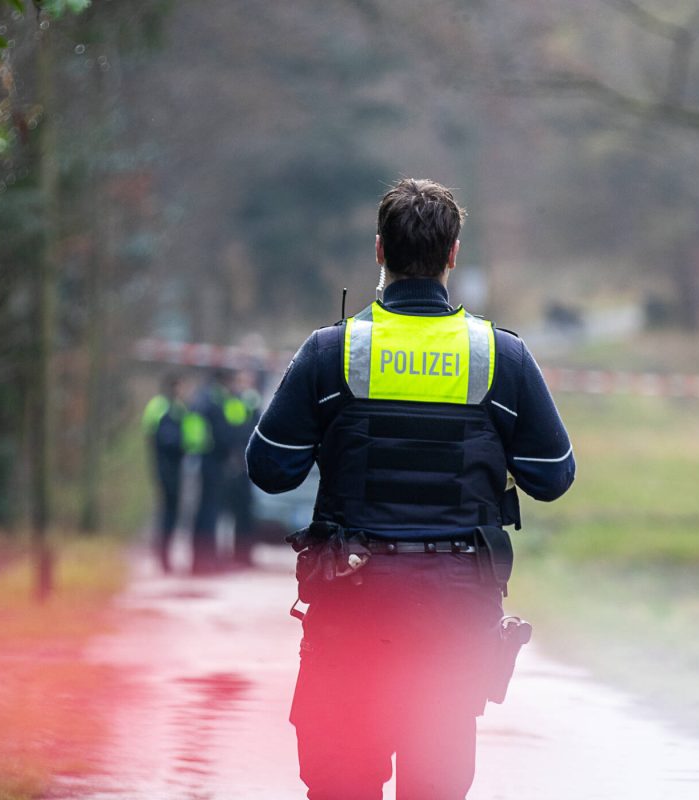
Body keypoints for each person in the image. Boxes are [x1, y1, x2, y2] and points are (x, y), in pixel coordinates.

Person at [246, 178, 575, 799]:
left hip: (349, 604)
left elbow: (270, 468)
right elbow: (552, 475)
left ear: (379, 251)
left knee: (341, 784)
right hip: (453, 613)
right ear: (453, 255)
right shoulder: (500, 359)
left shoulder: (330, 353)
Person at [191, 368, 261, 572]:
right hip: (216, 461)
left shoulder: (213, 400)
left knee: (214, 511)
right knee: (211, 511)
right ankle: (206, 560)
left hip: (217, 461)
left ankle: (209, 558)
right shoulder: (217, 402)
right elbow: (231, 432)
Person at [142, 372, 207, 573]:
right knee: (168, 512)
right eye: (182, 387)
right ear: (174, 387)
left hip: (174, 466)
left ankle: (165, 555)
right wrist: (184, 444)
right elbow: (165, 439)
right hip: (166, 465)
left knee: (171, 511)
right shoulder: (164, 408)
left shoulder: (176, 408)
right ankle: (163, 556)